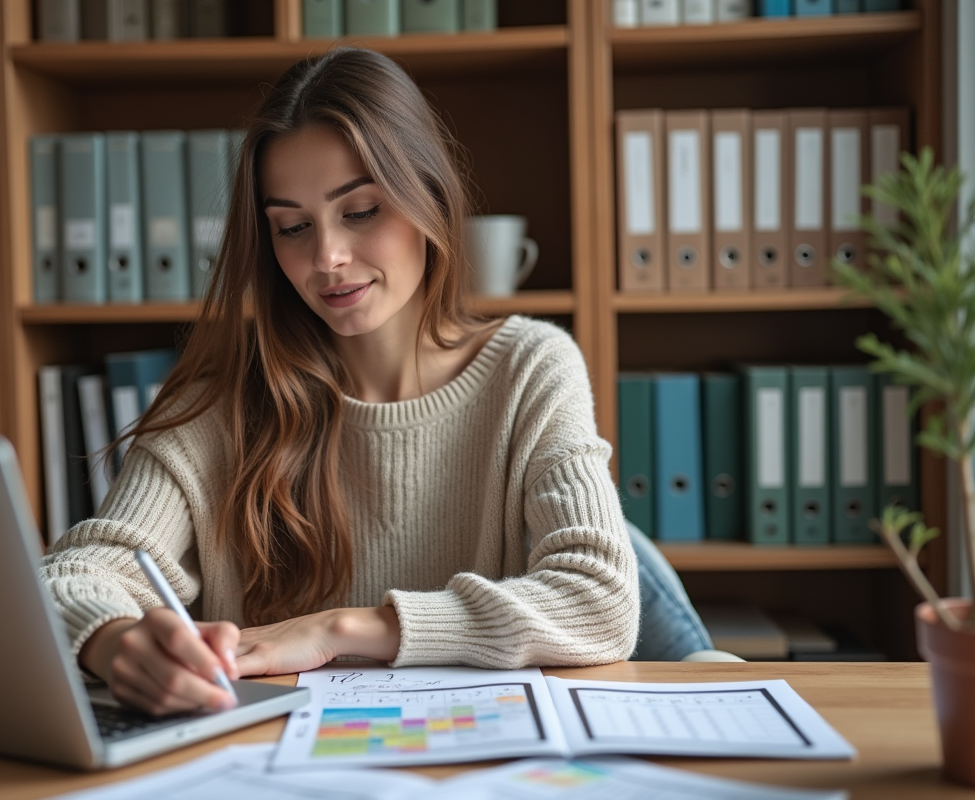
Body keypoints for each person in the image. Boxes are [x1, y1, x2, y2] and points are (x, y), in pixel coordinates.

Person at [40, 46, 639, 717]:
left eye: (360, 211)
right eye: (292, 227)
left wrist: (337, 629)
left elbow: (600, 601)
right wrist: (114, 639)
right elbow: (74, 573)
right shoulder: (221, 395)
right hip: (256, 763)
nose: (326, 258)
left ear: (428, 199)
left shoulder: (530, 367)